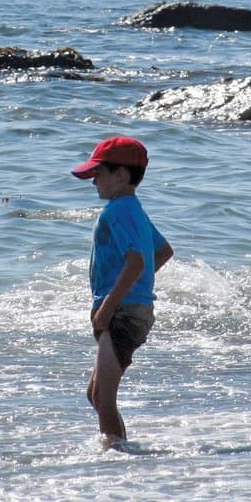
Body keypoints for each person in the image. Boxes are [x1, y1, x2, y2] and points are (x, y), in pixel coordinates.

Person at [72, 135, 173, 448]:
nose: (93, 183)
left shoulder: (117, 211)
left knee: (103, 395)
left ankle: (115, 456)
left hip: (123, 312)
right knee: (96, 393)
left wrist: (108, 306)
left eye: (98, 175)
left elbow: (136, 262)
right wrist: (137, 287)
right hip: (133, 308)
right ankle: (120, 449)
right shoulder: (135, 211)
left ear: (121, 175)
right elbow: (163, 251)